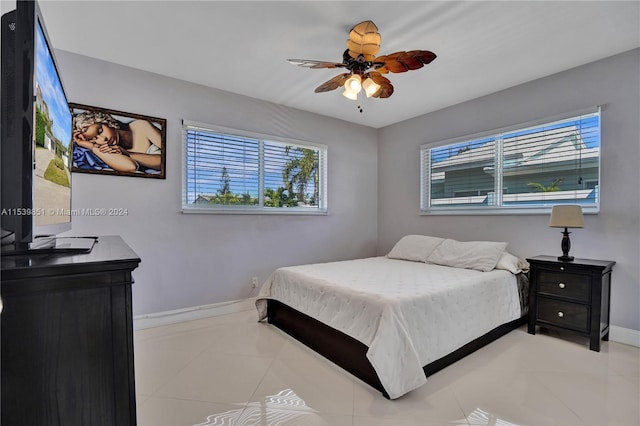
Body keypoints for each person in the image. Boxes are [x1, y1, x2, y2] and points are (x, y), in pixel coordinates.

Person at [72, 110, 162, 173]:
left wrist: (127, 154)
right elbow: (131, 167)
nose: (103, 139)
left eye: (100, 131)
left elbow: (168, 160)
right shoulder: (112, 150)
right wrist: (92, 147)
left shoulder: (140, 126)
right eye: (94, 140)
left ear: (107, 122)